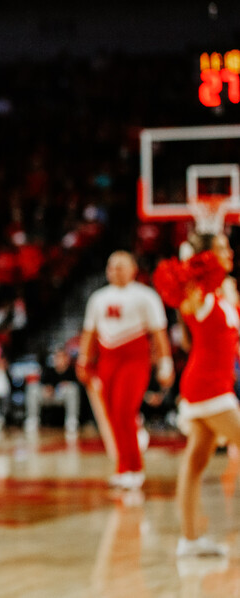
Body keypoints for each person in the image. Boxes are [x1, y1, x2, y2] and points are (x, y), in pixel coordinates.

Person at [159, 233, 238, 558]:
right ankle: (189, 538)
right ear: (206, 256)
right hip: (208, 387)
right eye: (222, 247)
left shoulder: (223, 291)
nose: (230, 252)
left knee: (196, 461)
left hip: (215, 383)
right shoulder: (198, 294)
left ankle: (189, 540)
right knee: (196, 461)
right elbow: (182, 294)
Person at [76, 250, 174, 490]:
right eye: (111, 266)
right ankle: (123, 467)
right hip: (107, 361)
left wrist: (165, 363)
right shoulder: (98, 298)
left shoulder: (146, 296)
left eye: (121, 266)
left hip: (134, 361)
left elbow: (158, 333)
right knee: (112, 414)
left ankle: (135, 468)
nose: (115, 271)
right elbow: (90, 333)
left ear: (133, 269)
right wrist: (83, 360)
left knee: (124, 410)